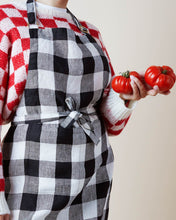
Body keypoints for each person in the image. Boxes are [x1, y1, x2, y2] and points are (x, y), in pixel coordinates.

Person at [0, 0, 171, 219]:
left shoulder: (90, 32)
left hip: (93, 174)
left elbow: (109, 122)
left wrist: (126, 97)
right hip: (34, 176)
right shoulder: (8, 20)